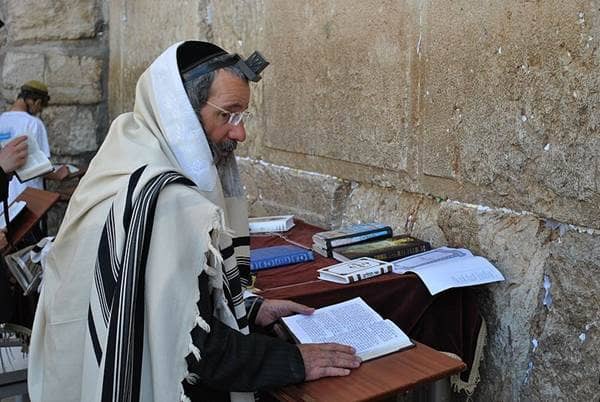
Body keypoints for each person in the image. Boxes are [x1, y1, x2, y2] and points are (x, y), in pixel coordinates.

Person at [28, 41, 360, 402]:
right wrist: (295, 361)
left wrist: (251, 307)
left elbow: (158, 295)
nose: (240, 133)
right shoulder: (167, 200)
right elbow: (188, 341)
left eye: (241, 116)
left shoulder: (128, 149)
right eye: (227, 115)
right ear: (180, 113)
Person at [0, 80, 51, 202]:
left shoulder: (1, 120)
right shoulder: (34, 123)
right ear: (37, 102)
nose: (38, 111)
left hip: (4, 198)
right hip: (29, 196)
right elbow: (42, 166)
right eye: (39, 107)